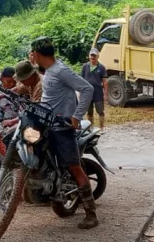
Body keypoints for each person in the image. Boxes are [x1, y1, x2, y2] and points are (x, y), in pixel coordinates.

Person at [30, 36, 99, 230]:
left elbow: (87, 88)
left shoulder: (60, 71)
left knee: (74, 168)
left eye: (32, 54)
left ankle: (91, 213)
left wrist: (77, 116)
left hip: (62, 129)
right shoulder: (49, 71)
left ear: (36, 54)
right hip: (47, 127)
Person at [80, 48, 108, 130]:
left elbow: (105, 82)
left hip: (98, 93)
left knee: (100, 111)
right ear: (89, 56)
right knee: (89, 112)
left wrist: (105, 94)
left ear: (98, 56)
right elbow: (81, 80)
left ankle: (101, 127)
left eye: (94, 56)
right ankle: (90, 127)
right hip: (87, 93)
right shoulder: (85, 66)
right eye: (91, 56)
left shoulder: (101, 67)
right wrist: (81, 92)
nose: (93, 57)